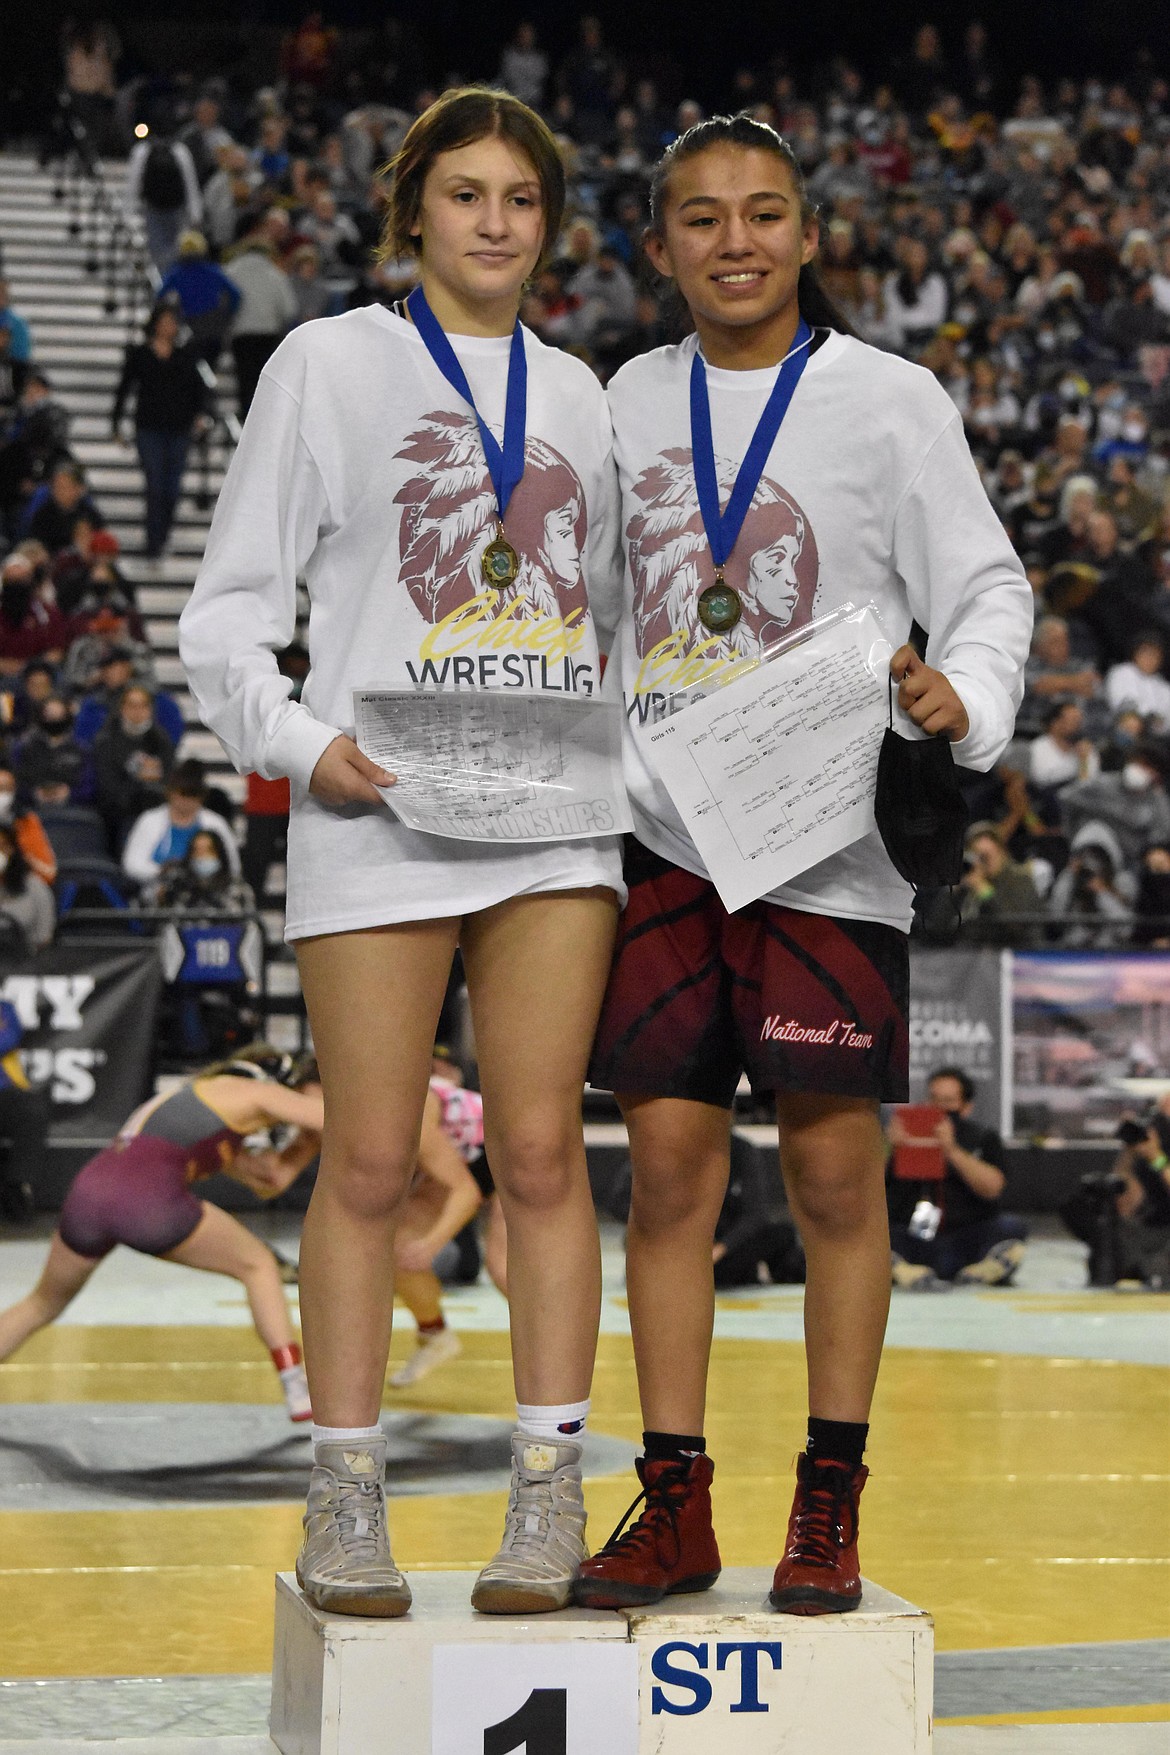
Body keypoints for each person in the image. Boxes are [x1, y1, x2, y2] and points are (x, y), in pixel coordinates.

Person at [179, 86, 626, 1620]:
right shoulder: (328, 361)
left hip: (552, 818)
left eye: (520, 197)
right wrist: (308, 750)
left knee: (544, 1152)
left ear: (548, 225)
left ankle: (547, 1497)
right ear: (412, 212)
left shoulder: (586, 393)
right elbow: (228, 605)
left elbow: (617, 621)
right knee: (368, 1159)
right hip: (376, 803)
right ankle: (347, 1492)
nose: (494, 220)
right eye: (465, 194)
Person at [577, 115, 1032, 1619]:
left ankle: (825, 1502)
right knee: (665, 1182)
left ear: (808, 239)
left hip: (830, 843)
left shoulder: (888, 401)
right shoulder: (618, 402)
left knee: (837, 1181)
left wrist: (964, 694)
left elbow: (985, 584)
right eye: (699, 218)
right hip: (660, 838)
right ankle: (676, 1501)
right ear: (660, 248)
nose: (734, 241)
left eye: (763, 214)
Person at [0, 1050, 324, 1421]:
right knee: (258, 1265)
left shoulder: (204, 1109)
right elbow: (331, 1118)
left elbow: (270, 1180)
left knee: (41, 1304)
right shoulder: (249, 1090)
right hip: (145, 1199)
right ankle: (295, 1384)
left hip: (90, 1192)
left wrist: (307, 1144)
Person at [388, 1062, 491, 1388]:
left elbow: (466, 1192)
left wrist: (432, 1244)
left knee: (502, 1263)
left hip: (496, 1147)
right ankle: (434, 1332)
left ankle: (550, 1348)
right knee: (396, 1245)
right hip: (461, 1152)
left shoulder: (411, 1110)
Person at [888, 1068, 1026, 1290]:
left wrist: (951, 1150)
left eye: (948, 1101)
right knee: (874, 1232)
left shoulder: (982, 1137)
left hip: (966, 1235)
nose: (939, 1108)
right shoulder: (905, 1133)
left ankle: (979, 1271)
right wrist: (891, 1148)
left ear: (966, 1106)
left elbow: (993, 1188)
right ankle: (902, 1268)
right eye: (934, 1099)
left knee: (1011, 1227)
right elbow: (869, 1188)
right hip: (915, 1234)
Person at [112, 302, 211, 559]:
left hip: (180, 428)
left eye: (172, 322)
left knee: (172, 487)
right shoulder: (140, 354)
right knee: (155, 484)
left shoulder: (186, 355)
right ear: (155, 323)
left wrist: (201, 415)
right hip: (149, 428)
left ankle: (163, 534)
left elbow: (199, 390)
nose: (168, 326)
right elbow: (125, 388)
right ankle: (153, 540)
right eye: (164, 321)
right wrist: (116, 423)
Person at [122, 761, 241, 892]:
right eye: (182, 795)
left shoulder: (216, 824)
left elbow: (232, 866)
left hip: (208, 894)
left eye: (192, 795)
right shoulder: (149, 820)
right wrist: (163, 872)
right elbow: (131, 864)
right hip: (158, 897)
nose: (186, 801)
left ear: (202, 796)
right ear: (170, 792)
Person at [0, 823, 55, 949]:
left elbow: (44, 938)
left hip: (24, 961)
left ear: (13, 849)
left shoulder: (34, 887)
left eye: (3, 846)